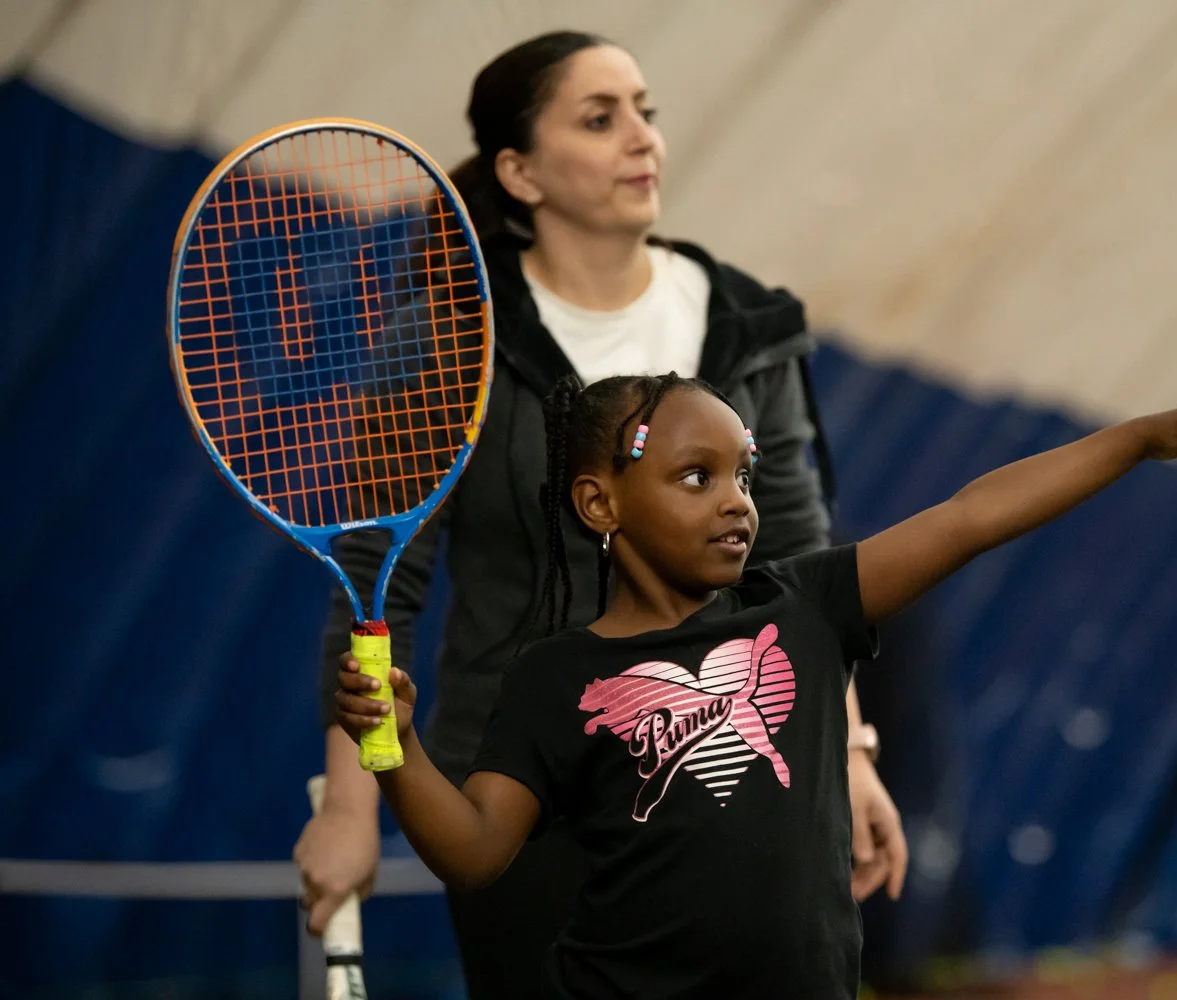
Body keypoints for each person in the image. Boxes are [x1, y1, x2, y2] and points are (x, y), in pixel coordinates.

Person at [333, 373, 1177, 998]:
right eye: (695, 477)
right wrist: (395, 746)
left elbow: (971, 517)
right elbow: (474, 851)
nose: (737, 502)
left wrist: (1135, 442)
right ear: (600, 503)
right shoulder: (557, 675)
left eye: (742, 475)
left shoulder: (805, 604)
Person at [293, 29, 906, 998]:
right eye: (600, 116)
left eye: (645, 112)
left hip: (730, 788)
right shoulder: (454, 332)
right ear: (519, 171)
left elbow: (801, 566)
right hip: (522, 797)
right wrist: (352, 803)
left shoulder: (749, 326)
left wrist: (853, 753)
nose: (642, 138)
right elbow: (375, 583)